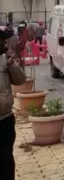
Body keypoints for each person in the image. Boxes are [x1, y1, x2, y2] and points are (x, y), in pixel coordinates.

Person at [0, 26, 26, 180]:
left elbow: (20, 80)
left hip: (4, 119)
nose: (3, 43)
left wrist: (12, 64)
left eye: (3, 40)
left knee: (5, 159)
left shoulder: (5, 58)